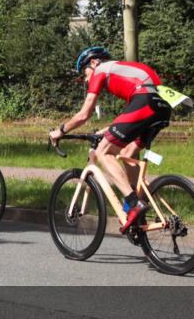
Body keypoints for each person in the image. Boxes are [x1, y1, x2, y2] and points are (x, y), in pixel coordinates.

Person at [49, 46, 172, 234]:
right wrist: (106, 130)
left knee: (103, 151)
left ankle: (134, 203)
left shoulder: (101, 70)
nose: (86, 78)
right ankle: (136, 213)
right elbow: (130, 115)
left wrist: (61, 130)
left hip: (145, 102)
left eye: (85, 72)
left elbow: (85, 114)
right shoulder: (121, 70)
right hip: (162, 106)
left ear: (93, 62)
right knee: (127, 152)